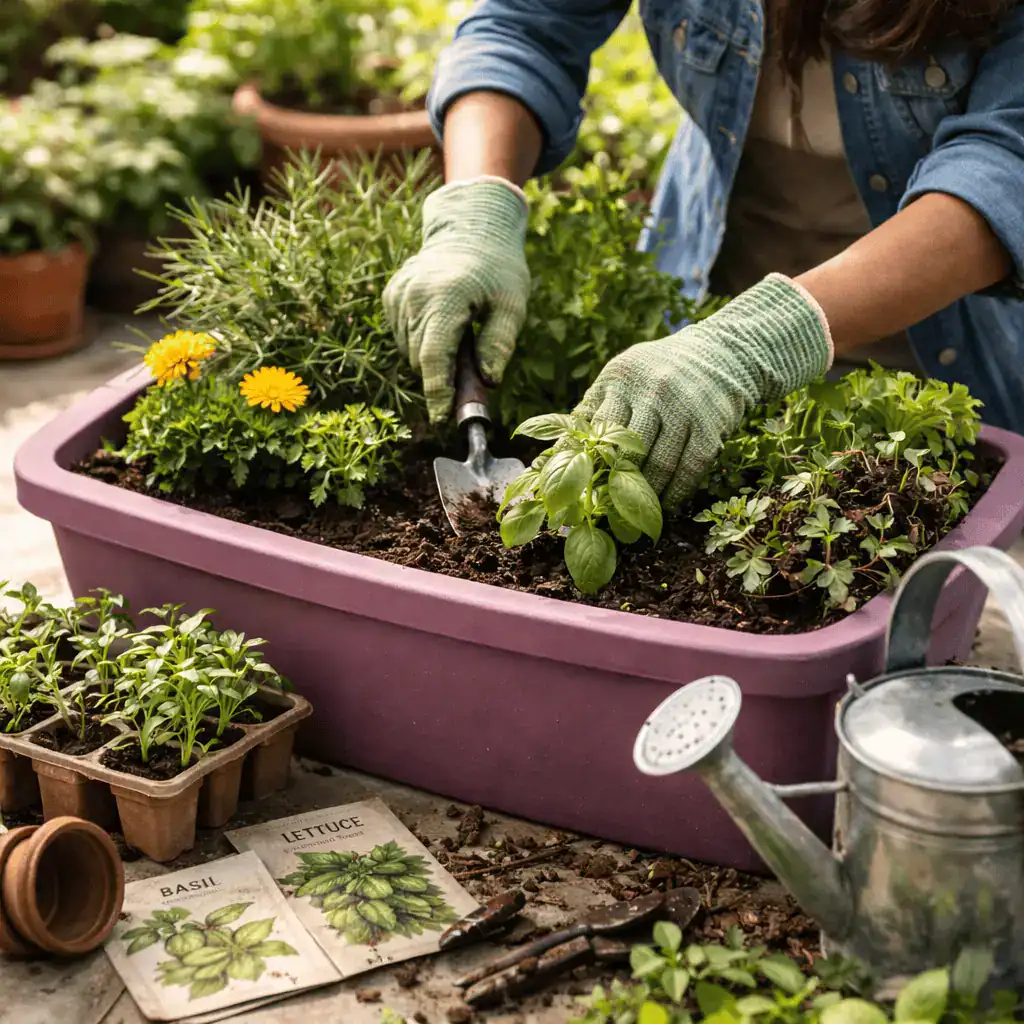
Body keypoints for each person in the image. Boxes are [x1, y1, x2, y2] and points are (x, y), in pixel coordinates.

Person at [383, 0, 1024, 508]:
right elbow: (526, 25)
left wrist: (762, 340)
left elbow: (1006, 164)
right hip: (701, 323)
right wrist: (478, 208)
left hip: (959, 355)